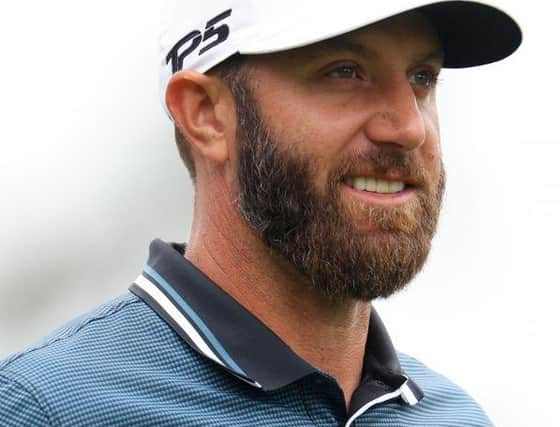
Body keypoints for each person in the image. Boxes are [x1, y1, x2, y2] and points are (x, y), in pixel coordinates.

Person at [0, 1, 521, 425]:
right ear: (206, 115)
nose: (409, 127)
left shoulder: (458, 417)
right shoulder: (45, 408)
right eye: (345, 71)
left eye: (422, 77)